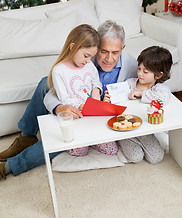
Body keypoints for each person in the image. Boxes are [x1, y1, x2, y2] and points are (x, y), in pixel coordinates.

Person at [0, 20, 137, 180]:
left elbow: (141, 94)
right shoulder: (87, 58)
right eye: (103, 51)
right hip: (76, 109)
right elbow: (55, 93)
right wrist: (59, 107)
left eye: (115, 52)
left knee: (58, 141)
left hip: (99, 119)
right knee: (46, 83)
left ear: (123, 49)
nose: (108, 58)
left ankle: (10, 166)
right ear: (96, 47)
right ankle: (26, 136)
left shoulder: (133, 67)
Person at [47, 24, 118, 156]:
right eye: (86, 56)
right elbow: (64, 98)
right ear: (73, 47)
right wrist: (81, 105)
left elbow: (96, 81)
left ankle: (92, 139)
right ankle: (87, 140)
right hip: (77, 117)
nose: (88, 61)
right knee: (79, 152)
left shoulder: (89, 65)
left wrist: (96, 91)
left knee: (112, 150)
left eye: (91, 57)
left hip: (93, 115)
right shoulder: (59, 71)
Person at [104, 46, 173, 164]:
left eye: (145, 71)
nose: (140, 73)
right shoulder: (130, 83)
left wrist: (141, 94)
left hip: (145, 131)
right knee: (135, 157)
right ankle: (121, 139)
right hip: (126, 129)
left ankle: (138, 140)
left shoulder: (159, 89)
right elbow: (117, 96)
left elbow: (164, 98)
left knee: (156, 157)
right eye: (139, 69)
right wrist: (109, 98)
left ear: (158, 75)